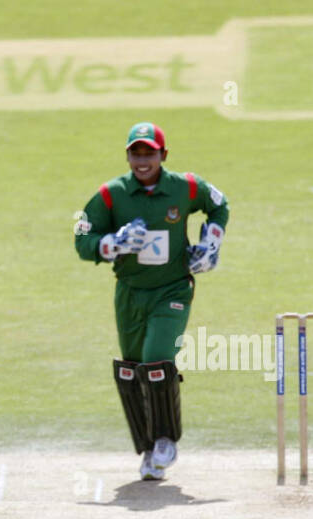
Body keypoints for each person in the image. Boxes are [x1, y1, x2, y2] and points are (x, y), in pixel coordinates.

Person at [74, 121, 230, 480]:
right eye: (136, 153)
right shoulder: (111, 195)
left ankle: (165, 440)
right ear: (128, 155)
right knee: (131, 368)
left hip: (173, 289)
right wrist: (109, 244)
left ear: (164, 155)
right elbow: (82, 235)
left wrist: (212, 243)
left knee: (157, 358)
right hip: (130, 293)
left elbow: (220, 206)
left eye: (150, 153)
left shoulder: (186, 187)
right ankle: (148, 448)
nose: (143, 161)